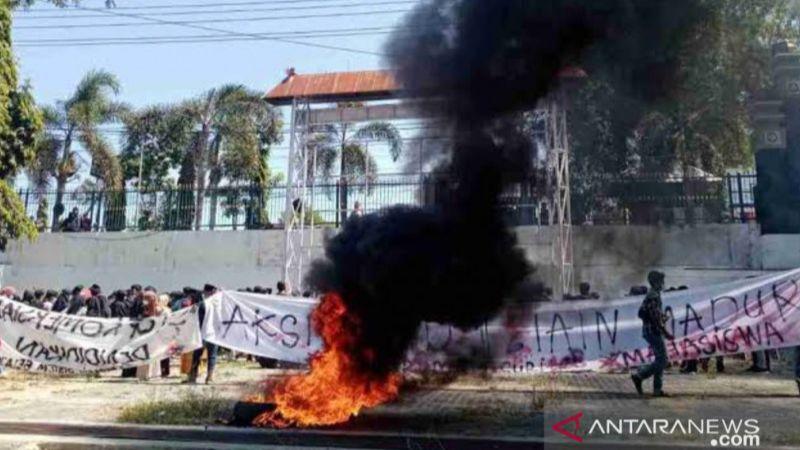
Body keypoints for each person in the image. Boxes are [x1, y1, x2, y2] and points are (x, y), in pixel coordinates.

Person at [632, 270, 674, 397]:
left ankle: (657, 390)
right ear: (656, 282)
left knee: (659, 359)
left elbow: (654, 314)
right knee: (663, 360)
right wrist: (666, 333)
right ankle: (639, 376)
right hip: (653, 331)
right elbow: (655, 319)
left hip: (652, 331)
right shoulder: (653, 296)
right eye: (661, 281)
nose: (663, 283)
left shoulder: (654, 295)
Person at [185, 284, 219, 384]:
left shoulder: (200, 304)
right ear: (213, 292)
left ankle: (192, 376)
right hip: (214, 334)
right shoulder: (218, 304)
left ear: (205, 292)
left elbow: (195, 319)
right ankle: (209, 378)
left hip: (201, 334)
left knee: (197, 355)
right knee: (212, 356)